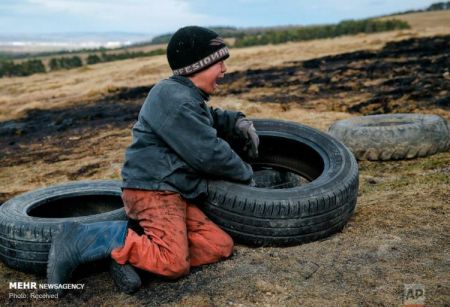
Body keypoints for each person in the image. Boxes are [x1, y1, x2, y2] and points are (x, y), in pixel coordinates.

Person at [47, 26, 259, 295]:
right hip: (153, 189)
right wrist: (246, 174)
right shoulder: (176, 100)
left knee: (218, 246)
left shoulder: (184, 95)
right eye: (219, 62)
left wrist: (237, 122)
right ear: (199, 65)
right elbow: (208, 153)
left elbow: (209, 118)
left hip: (174, 189)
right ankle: (81, 238)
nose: (224, 69)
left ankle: (129, 254)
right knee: (173, 265)